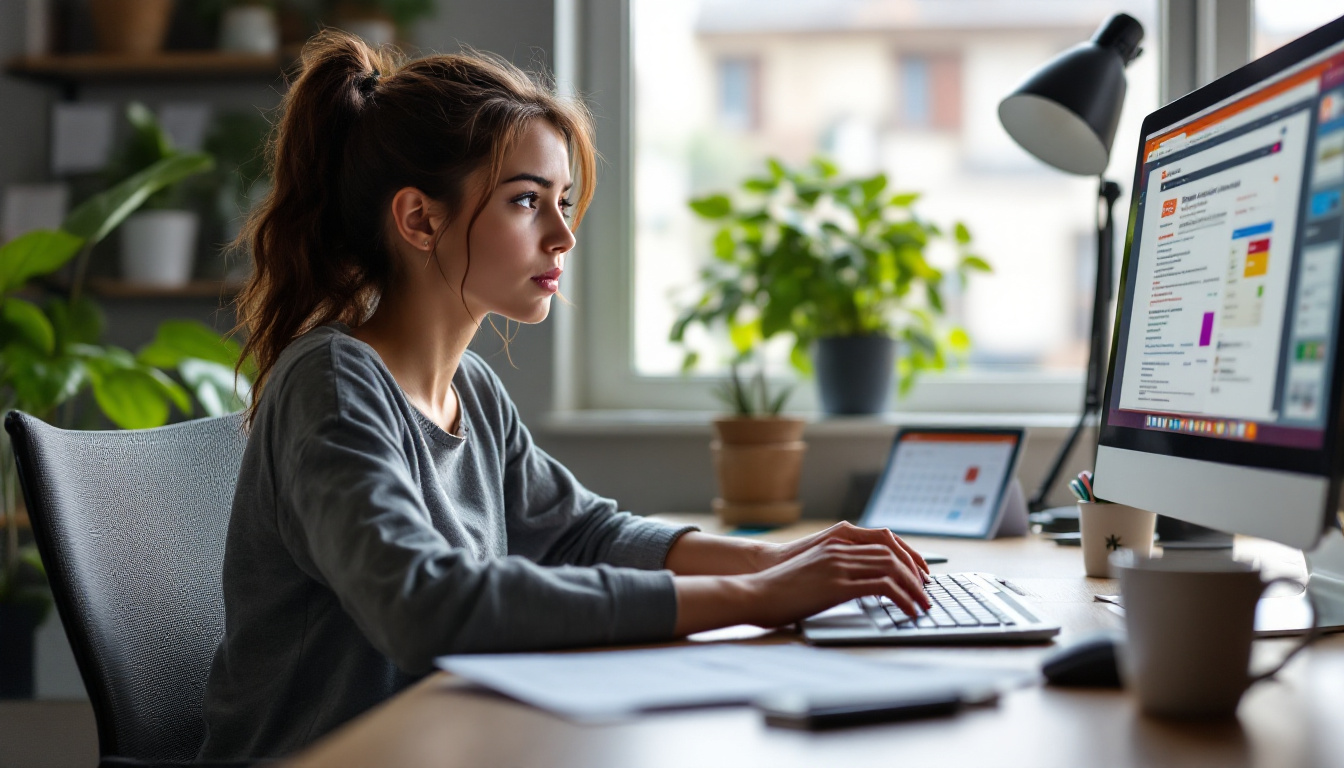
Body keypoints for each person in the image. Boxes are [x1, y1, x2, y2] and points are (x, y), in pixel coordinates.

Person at [199, 30, 930, 760]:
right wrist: (755, 599)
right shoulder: (332, 381)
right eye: (526, 201)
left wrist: (780, 562)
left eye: (564, 202)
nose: (562, 237)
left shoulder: (472, 391)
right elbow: (424, 606)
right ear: (420, 219)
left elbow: (583, 536)